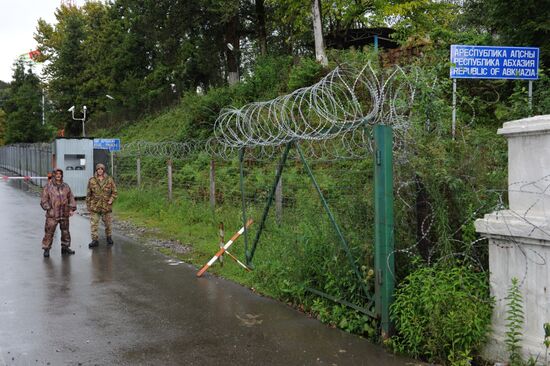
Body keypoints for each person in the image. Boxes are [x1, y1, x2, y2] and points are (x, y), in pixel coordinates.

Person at [40, 168, 76, 257]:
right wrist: (49, 208)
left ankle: (65, 247)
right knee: (49, 232)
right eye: (57, 174)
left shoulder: (66, 186)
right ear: (54, 175)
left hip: (64, 213)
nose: (58, 175)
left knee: (65, 232)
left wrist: (71, 209)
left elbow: (71, 197)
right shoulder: (48, 187)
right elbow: (44, 200)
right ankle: (46, 249)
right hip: (52, 215)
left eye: (60, 174)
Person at [86, 163, 117, 248]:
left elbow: (114, 192)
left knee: (108, 224)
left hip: (106, 206)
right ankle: (94, 240)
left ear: (104, 170)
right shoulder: (92, 180)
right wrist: (88, 205)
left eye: (101, 169)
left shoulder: (109, 180)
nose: (100, 170)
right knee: (94, 224)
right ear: (96, 170)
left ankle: (109, 237)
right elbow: (89, 194)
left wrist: (111, 199)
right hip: (95, 206)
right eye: (98, 169)